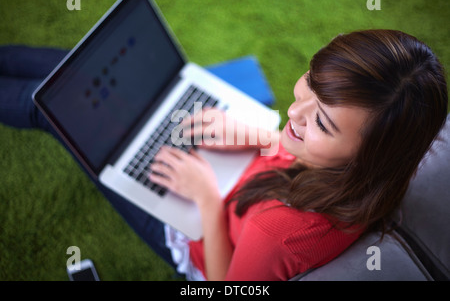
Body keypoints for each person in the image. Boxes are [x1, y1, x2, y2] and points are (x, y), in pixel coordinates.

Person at [0, 29, 448, 281]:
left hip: (197, 226)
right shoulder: (378, 168)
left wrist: (207, 202)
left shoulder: (279, 233)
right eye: (311, 82)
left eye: (323, 123)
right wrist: (261, 134)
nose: (293, 111)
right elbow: (302, 143)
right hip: (243, 174)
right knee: (79, 71)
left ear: (369, 156)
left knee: (54, 109)